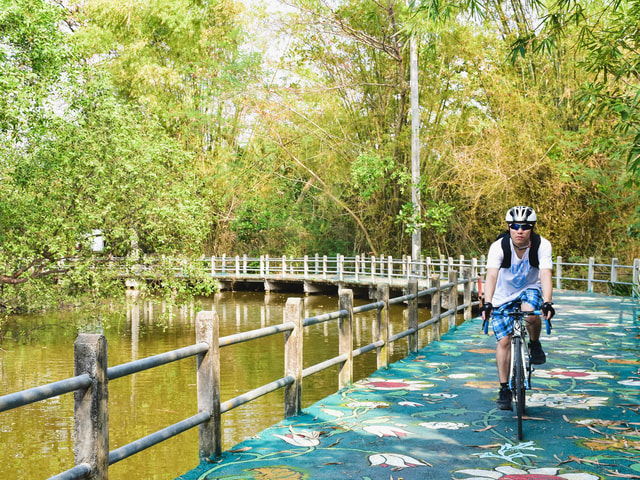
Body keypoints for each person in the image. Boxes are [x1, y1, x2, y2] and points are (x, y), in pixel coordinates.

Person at [479, 206, 556, 410]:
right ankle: (504, 388)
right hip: (502, 294)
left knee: (531, 314)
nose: (519, 230)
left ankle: (535, 342)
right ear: (508, 227)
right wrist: (487, 303)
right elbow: (492, 275)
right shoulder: (498, 247)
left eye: (525, 226)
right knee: (503, 340)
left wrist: (548, 302)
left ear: (532, 228)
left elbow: (546, 273)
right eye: (515, 226)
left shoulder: (542, 245)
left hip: (529, 288)